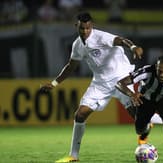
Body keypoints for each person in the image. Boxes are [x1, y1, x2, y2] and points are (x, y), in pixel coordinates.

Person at [40, 12, 143, 162]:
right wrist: (54, 83)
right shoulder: (77, 45)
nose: (85, 31)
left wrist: (133, 47)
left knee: (140, 121)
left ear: (91, 26)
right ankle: (73, 156)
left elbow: (120, 40)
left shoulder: (101, 37)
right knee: (79, 115)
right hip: (100, 84)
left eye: (88, 28)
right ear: (77, 26)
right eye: (82, 28)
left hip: (121, 79)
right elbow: (70, 66)